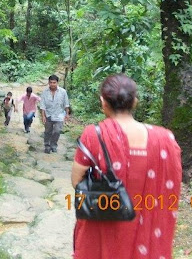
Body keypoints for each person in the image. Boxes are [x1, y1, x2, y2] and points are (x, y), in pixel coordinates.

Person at [71, 74, 182, 259]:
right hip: (145, 228)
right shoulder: (165, 139)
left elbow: (77, 181)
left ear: (103, 102)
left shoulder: (93, 135)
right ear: (135, 102)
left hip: (103, 223)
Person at [39, 74, 70, 153]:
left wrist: (67, 114)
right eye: (51, 82)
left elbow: (66, 104)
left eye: (54, 82)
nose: (52, 84)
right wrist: (43, 116)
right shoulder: (45, 92)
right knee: (47, 131)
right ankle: (47, 146)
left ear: (57, 83)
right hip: (48, 114)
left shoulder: (63, 92)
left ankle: (53, 145)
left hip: (59, 115)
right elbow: (42, 105)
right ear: (48, 83)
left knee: (57, 131)